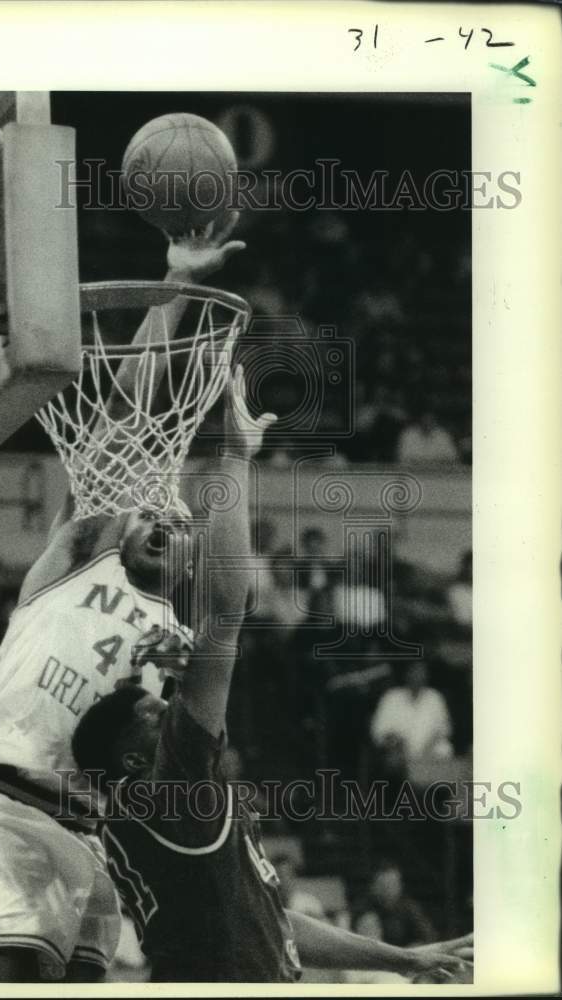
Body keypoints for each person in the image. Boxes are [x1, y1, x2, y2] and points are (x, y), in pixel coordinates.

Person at [0, 217, 246, 983]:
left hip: (94, 841)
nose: (160, 515)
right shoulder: (74, 557)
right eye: (145, 510)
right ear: (113, 521)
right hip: (1, 806)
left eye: (175, 516)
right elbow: (130, 430)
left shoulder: (178, 630)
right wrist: (176, 286)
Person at [72, 370, 472, 983]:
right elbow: (229, 606)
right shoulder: (165, 787)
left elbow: (275, 919)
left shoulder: (154, 806)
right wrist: (233, 457)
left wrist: (405, 958)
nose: (174, 709)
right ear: (133, 759)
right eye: (158, 713)